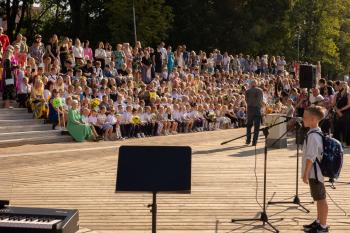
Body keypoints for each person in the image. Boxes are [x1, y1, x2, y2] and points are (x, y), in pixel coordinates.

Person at [302, 106, 329, 233]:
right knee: (318, 198)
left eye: (305, 117)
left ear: (313, 120)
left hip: (315, 173)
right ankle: (319, 221)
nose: (302, 119)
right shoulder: (315, 132)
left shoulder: (313, 136)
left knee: (321, 199)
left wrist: (305, 174)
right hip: (315, 173)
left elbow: (311, 157)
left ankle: (323, 226)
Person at [245, 80, 263, 146]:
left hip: (250, 109)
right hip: (257, 109)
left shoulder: (247, 91)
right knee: (257, 126)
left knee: (249, 126)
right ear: (256, 84)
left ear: (251, 84)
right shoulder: (260, 90)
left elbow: (246, 100)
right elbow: (261, 100)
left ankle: (248, 140)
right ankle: (254, 142)